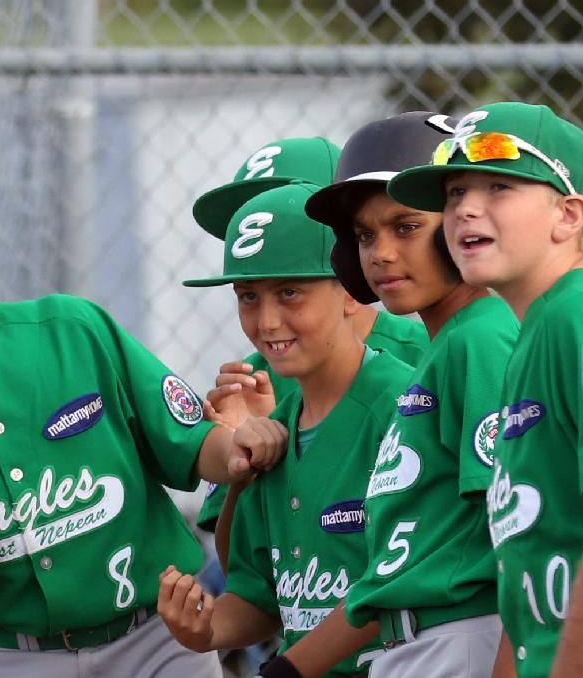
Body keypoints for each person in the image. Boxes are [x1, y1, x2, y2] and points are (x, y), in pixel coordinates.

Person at [0, 163, 280, 678]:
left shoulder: (73, 331)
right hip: (20, 657)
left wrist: (238, 445)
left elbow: (194, 445)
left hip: (157, 637)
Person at [287, 111, 519, 678]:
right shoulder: (442, 350)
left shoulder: (481, 339)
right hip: (416, 641)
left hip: (464, 637)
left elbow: (521, 534)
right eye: (365, 236)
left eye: (406, 226)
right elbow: (394, 573)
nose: (380, 253)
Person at [158, 181, 414, 677]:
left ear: (350, 292)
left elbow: (401, 580)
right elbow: (260, 596)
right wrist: (204, 629)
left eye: (290, 292)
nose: (268, 320)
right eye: (248, 296)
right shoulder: (277, 426)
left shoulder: (402, 404)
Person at [387, 102, 583, 678]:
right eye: (453, 193)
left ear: (568, 216)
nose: (466, 208)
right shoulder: (534, 330)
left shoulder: (571, 318)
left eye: (499, 185)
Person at [192, 138, 428, 539]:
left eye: (293, 206)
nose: (265, 224)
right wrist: (240, 459)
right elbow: (247, 568)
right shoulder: (255, 379)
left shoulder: (424, 353)